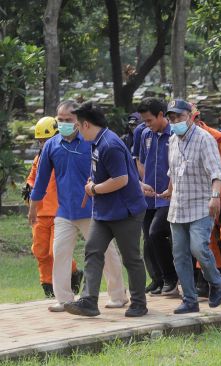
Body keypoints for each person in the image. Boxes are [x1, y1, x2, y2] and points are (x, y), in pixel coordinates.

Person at [30, 101, 125, 313]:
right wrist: (33, 207)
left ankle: (118, 295)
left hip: (92, 209)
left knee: (106, 252)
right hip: (64, 211)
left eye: (69, 120)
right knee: (60, 252)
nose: (63, 124)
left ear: (79, 121)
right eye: (60, 120)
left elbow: (112, 173)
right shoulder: (52, 146)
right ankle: (63, 299)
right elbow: (41, 179)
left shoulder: (91, 141)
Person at [62, 101, 148, 318]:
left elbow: (121, 179)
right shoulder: (96, 142)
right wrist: (95, 182)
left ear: (87, 125)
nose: (77, 130)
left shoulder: (110, 145)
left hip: (126, 212)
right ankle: (89, 301)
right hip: (104, 211)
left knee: (131, 258)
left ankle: (139, 303)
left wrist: (94, 188)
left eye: (78, 126)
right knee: (93, 251)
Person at [157, 99, 221, 314]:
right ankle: (190, 299)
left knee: (198, 248)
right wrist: (169, 190)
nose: (175, 121)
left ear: (190, 115)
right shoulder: (173, 140)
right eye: (171, 117)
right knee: (179, 255)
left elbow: (217, 173)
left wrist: (215, 197)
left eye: (179, 116)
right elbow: (174, 170)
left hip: (201, 204)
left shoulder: (205, 139)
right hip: (178, 206)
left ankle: (216, 280)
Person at [25, 116, 80, 298]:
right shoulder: (38, 159)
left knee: (56, 251)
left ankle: (73, 273)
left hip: (59, 211)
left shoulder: (65, 155)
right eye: (40, 141)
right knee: (40, 252)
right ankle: (47, 285)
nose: (43, 144)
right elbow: (32, 179)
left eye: (46, 140)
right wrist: (29, 191)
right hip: (40, 213)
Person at [189, 103, 221, 295]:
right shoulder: (182, 139)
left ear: (196, 119)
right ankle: (213, 279)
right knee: (203, 239)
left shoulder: (216, 138)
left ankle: (210, 279)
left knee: (206, 239)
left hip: (215, 195)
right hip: (194, 196)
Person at [136, 98, 178, 296]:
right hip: (148, 196)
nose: (147, 124)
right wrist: (142, 183)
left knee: (156, 233)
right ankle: (158, 279)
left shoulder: (174, 135)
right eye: (144, 121)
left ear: (161, 115)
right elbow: (141, 161)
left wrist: (170, 189)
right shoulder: (145, 134)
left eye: (150, 120)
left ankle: (171, 277)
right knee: (148, 238)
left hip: (168, 195)